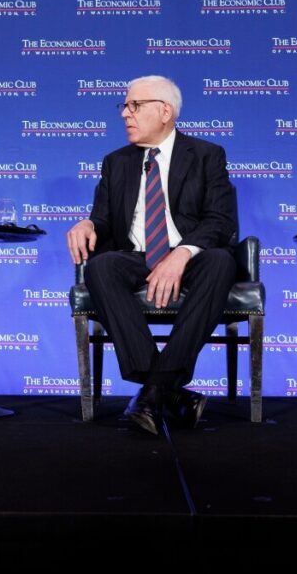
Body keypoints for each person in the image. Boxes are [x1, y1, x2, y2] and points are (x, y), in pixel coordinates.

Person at [66, 75, 237, 435]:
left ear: (165, 112)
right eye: (124, 106)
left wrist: (182, 253)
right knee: (100, 267)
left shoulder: (207, 155)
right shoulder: (116, 162)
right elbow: (103, 220)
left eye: (135, 105)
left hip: (191, 258)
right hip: (135, 257)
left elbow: (220, 221)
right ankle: (167, 391)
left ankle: (153, 392)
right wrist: (88, 223)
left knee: (220, 261)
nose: (125, 114)